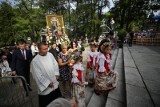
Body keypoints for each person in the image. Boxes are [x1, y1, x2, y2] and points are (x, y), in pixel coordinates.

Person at [30, 42, 62, 107]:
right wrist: (47, 83)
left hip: (54, 83)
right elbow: (37, 75)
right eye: (44, 49)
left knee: (58, 103)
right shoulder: (35, 61)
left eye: (47, 48)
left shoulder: (50, 54)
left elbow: (55, 64)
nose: (46, 50)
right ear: (39, 49)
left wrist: (57, 74)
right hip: (46, 89)